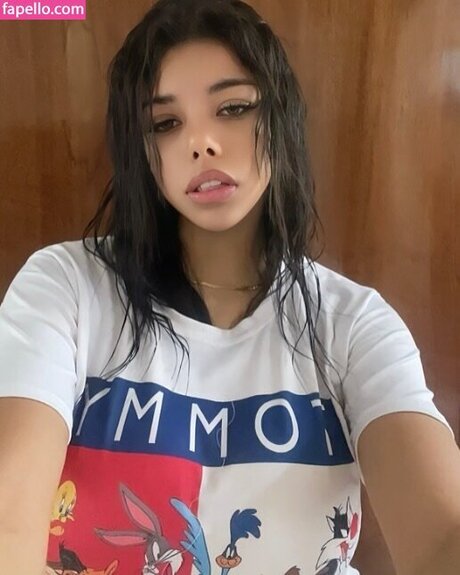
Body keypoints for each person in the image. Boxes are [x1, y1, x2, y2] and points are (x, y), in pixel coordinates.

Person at [0, 0, 459, 573]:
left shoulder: (350, 323)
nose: (201, 142)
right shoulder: (64, 289)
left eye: (233, 108)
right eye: (165, 123)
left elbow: (442, 534)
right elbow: (8, 521)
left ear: (280, 119)